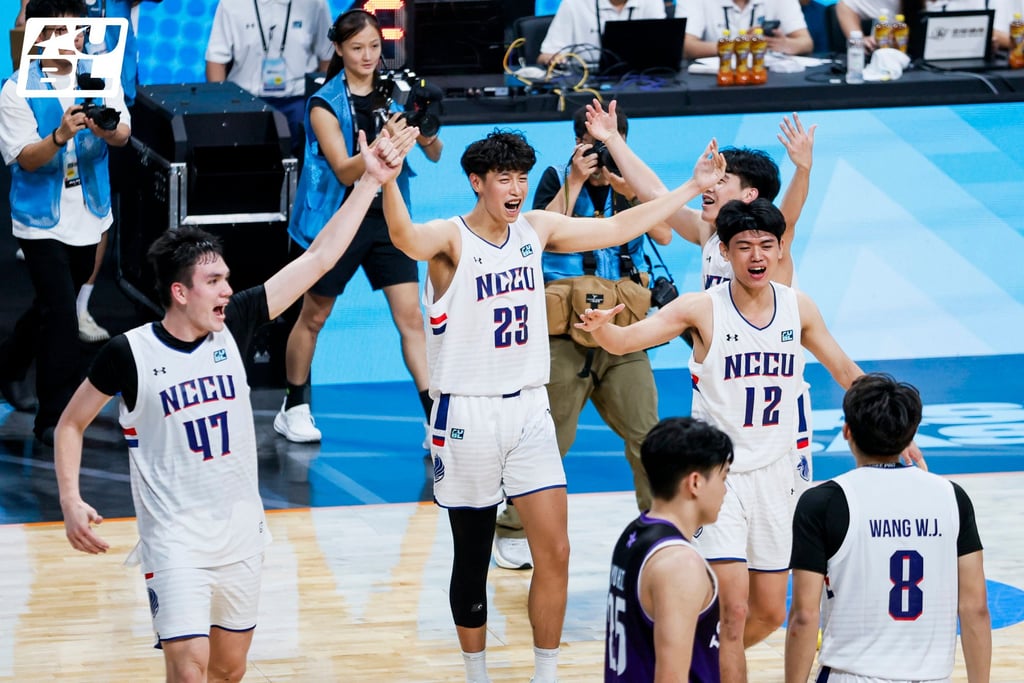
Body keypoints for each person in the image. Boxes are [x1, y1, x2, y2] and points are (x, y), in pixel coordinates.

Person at [53, 126, 418, 683]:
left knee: (227, 670)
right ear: (180, 292)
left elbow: (319, 258)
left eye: (227, 280)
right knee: (190, 666)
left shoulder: (238, 324)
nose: (228, 289)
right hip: (173, 541)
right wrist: (71, 500)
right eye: (214, 281)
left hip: (242, 534)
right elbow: (70, 423)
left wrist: (370, 180)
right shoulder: (130, 354)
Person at [380, 129, 726, 683]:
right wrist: (388, 180)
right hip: (467, 413)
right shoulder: (450, 238)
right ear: (477, 183)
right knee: (471, 558)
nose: (516, 189)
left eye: (522, 177)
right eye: (504, 179)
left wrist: (690, 186)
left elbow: (618, 227)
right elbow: (402, 237)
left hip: (527, 410)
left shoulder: (535, 229)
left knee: (556, 552)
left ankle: (546, 673)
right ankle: (477, 673)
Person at [576, 198, 866, 683]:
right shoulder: (702, 308)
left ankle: (691, 659)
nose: (756, 256)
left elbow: (844, 370)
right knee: (731, 613)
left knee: (770, 612)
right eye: (744, 247)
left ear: (779, 251)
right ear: (725, 253)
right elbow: (630, 341)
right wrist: (604, 334)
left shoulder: (799, 307)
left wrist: (894, 425)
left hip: (778, 477)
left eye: (766, 246)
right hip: (718, 480)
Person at [587, 100, 818, 495]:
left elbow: (789, 218)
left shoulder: (769, 243)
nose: (708, 185)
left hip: (770, 400)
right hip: (721, 387)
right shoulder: (710, 234)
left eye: (720, 179)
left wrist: (803, 169)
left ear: (749, 195)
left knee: (782, 529)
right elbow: (655, 193)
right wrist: (612, 139)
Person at [493, 103, 672, 571]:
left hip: (621, 330)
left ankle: (660, 529)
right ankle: (512, 527)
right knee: (550, 438)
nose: (602, 157)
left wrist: (624, 187)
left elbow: (667, 234)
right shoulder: (555, 177)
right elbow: (533, 237)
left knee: (646, 434)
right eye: (593, 146)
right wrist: (574, 181)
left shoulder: (630, 184)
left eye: (611, 146)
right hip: (563, 333)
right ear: (578, 142)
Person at [274, 8, 443, 444]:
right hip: (339, 221)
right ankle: (294, 405)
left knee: (411, 319)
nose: (368, 55)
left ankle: (434, 420)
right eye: (357, 48)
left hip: (389, 220)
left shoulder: (396, 94)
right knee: (314, 316)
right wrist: (381, 148)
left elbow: (436, 152)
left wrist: (422, 128)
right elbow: (346, 172)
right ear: (338, 49)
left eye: (374, 47)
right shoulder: (323, 104)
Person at [786, 373, 991, 683]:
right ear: (911, 434)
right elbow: (975, 608)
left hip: (852, 675)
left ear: (847, 432)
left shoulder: (822, 502)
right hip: (932, 677)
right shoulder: (953, 497)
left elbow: (804, 616)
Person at [0, 0, 131, 441]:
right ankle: (55, 419)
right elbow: (26, 160)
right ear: (40, 34)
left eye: (80, 31)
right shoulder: (17, 89)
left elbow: (123, 133)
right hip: (39, 220)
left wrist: (104, 129)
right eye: (66, 32)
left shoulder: (98, 74)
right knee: (61, 314)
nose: (77, 40)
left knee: (51, 305)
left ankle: (9, 365)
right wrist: (59, 135)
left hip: (88, 212)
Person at [605, 416, 733, 682]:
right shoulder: (680, 565)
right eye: (723, 477)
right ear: (695, 482)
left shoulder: (632, 534)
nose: (725, 490)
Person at [205, 0, 334, 157]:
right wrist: (223, 111)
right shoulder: (231, 4)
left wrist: (320, 103)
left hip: (297, 100)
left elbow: (327, 57)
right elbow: (216, 61)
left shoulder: (315, 4)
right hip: (246, 102)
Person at [836, 0, 1012, 52]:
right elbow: (845, 7)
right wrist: (858, 38)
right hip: (908, 66)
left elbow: (986, 30)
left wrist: (985, 42)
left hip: (960, 66)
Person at [537, 0, 667, 66]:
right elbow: (546, 55)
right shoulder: (574, 3)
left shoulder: (652, 1)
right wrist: (554, 60)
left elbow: (663, 50)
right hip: (587, 83)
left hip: (642, 79)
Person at [680, 0, 814, 57]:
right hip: (715, 79)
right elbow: (685, 46)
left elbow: (806, 42)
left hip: (767, 76)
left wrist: (785, 44)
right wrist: (737, 46)